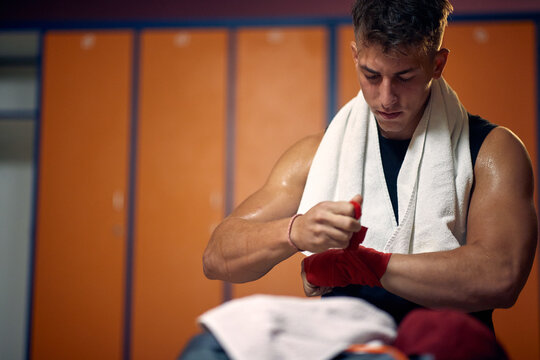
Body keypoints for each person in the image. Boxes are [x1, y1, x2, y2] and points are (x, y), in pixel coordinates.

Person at [202, 0, 537, 332]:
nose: (386, 98)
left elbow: (500, 276)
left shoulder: (490, 152)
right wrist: (294, 231)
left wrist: (362, 266)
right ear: (355, 57)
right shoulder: (316, 156)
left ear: (437, 65)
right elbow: (217, 257)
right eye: (371, 75)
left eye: (404, 76)